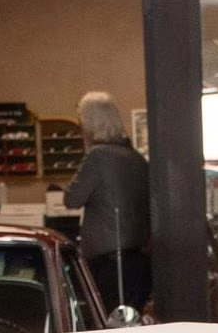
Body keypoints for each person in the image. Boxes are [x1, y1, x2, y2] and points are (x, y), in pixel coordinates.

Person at [64, 91, 152, 313]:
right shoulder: (135, 158)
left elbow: (72, 198)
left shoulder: (97, 157)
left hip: (111, 262)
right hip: (138, 258)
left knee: (108, 323)